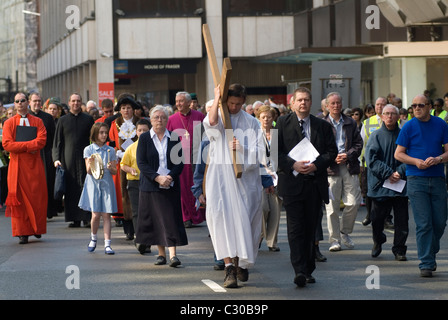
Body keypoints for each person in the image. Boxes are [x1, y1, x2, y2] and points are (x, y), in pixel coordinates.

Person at [203, 83, 265, 288]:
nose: (234, 107)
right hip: (220, 178)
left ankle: (242, 263)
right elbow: (211, 122)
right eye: (230, 103)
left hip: (245, 181)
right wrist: (216, 97)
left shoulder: (252, 123)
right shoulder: (221, 116)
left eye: (238, 104)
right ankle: (229, 267)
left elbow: (261, 153)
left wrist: (242, 147)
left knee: (246, 221)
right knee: (221, 219)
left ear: (244, 102)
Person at [277, 87, 337, 287]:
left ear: (311, 103)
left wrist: (316, 165)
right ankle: (299, 270)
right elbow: (274, 154)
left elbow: (331, 152)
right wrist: (292, 164)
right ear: (292, 103)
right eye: (299, 100)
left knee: (310, 229)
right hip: (292, 184)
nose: (303, 103)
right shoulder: (282, 123)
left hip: (314, 184)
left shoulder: (322, 126)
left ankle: (309, 268)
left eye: (307, 100)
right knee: (295, 230)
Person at [395, 94, 448, 278]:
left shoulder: (441, 124)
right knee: (424, 223)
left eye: (420, 105)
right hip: (416, 179)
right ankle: (426, 262)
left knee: (440, 222)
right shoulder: (408, 126)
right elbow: (398, 154)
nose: (416, 108)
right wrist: (416, 161)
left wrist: (439, 158)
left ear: (430, 107)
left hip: (438, 178)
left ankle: (430, 250)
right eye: (414, 106)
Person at [136, 106, 187, 267]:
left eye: (163, 117)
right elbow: (141, 163)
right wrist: (157, 178)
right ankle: (161, 254)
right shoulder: (144, 138)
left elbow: (180, 161)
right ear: (150, 120)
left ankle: (173, 255)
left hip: (170, 185)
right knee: (156, 221)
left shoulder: (173, 137)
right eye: (156, 117)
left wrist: (169, 177)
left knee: (170, 219)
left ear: (167, 120)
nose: (159, 120)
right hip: (151, 186)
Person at [3, 92, 48, 244]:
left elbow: (41, 141)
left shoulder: (38, 121)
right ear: (14, 104)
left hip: (35, 167)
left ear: (27, 102)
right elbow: (7, 145)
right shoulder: (9, 123)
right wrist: (29, 146)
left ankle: (37, 228)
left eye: (23, 100)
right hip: (17, 167)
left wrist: (20, 146)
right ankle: (22, 232)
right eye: (17, 101)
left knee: (38, 198)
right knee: (20, 200)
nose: (20, 103)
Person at [366, 104, 408, 260]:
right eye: (386, 113)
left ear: (398, 117)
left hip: (400, 184)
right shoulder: (375, 135)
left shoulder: (405, 135)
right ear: (382, 116)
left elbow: (410, 157)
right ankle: (378, 240)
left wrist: (399, 172)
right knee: (376, 219)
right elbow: (371, 160)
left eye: (393, 114)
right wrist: (388, 173)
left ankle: (399, 249)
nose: (390, 116)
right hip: (380, 185)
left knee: (402, 220)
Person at [324, 92, 363, 252]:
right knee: (332, 207)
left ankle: (344, 231)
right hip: (330, 168)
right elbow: (318, 147)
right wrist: (333, 158)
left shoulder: (350, 122)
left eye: (338, 103)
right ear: (327, 106)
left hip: (349, 165)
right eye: (332, 103)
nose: (336, 106)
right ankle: (334, 240)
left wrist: (347, 155)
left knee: (353, 202)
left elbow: (358, 144)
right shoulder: (322, 123)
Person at [53, 93, 94, 227]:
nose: (75, 103)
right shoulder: (62, 120)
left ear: (81, 103)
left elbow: (94, 139)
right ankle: (74, 218)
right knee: (71, 188)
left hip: (85, 158)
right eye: (73, 101)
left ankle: (87, 217)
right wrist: (56, 159)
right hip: (68, 158)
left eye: (78, 101)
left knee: (86, 186)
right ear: (69, 103)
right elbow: (57, 142)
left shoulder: (88, 119)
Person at [167, 91, 205, 228]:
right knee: (182, 189)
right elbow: (168, 140)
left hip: (196, 158)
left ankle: (197, 216)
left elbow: (205, 137)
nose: (178, 104)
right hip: (179, 159)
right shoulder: (171, 119)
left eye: (181, 101)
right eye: (177, 101)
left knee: (196, 186)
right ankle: (185, 217)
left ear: (189, 103)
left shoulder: (199, 116)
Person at [79, 122, 118, 255]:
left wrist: (111, 167)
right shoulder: (88, 149)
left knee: (107, 214)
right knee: (95, 215)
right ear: (95, 134)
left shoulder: (111, 150)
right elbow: (89, 172)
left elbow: (114, 172)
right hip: (93, 183)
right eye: (101, 132)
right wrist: (90, 164)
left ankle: (107, 244)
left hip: (106, 183)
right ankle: (93, 238)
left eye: (105, 133)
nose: (104, 135)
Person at [109, 96, 141, 240]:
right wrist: (117, 151)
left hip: (137, 162)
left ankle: (138, 226)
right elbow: (111, 142)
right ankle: (128, 227)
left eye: (128, 108)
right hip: (122, 162)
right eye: (123, 108)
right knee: (124, 193)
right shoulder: (115, 124)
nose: (126, 111)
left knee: (137, 194)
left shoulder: (139, 122)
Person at [120, 118, 151, 253]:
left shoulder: (153, 146)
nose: (142, 132)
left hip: (150, 182)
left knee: (149, 212)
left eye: (145, 130)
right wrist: (130, 169)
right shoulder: (131, 148)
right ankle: (140, 240)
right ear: (135, 132)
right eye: (140, 130)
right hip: (134, 182)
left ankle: (148, 240)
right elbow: (123, 164)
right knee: (137, 212)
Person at [256, 105, 282, 252]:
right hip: (260, 173)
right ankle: (259, 236)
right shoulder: (254, 133)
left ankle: (272, 241)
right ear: (259, 118)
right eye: (263, 117)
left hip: (276, 174)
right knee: (263, 208)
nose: (266, 120)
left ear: (273, 118)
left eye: (269, 117)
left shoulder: (277, 134)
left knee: (276, 209)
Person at [360, 97, 389, 227]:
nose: (380, 107)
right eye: (377, 104)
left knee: (388, 191)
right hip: (369, 164)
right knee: (368, 191)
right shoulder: (367, 122)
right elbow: (362, 144)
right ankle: (369, 214)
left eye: (383, 104)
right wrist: (360, 162)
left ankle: (387, 218)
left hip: (387, 163)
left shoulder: (393, 120)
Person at [29, 92, 58, 219]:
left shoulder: (47, 117)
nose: (37, 103)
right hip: (29, 155)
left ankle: (48, 210)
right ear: (29, 102)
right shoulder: (26, 117)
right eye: (34, 101)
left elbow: (53, 138)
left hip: (46, 153)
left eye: (39, 101)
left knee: (47, 182)